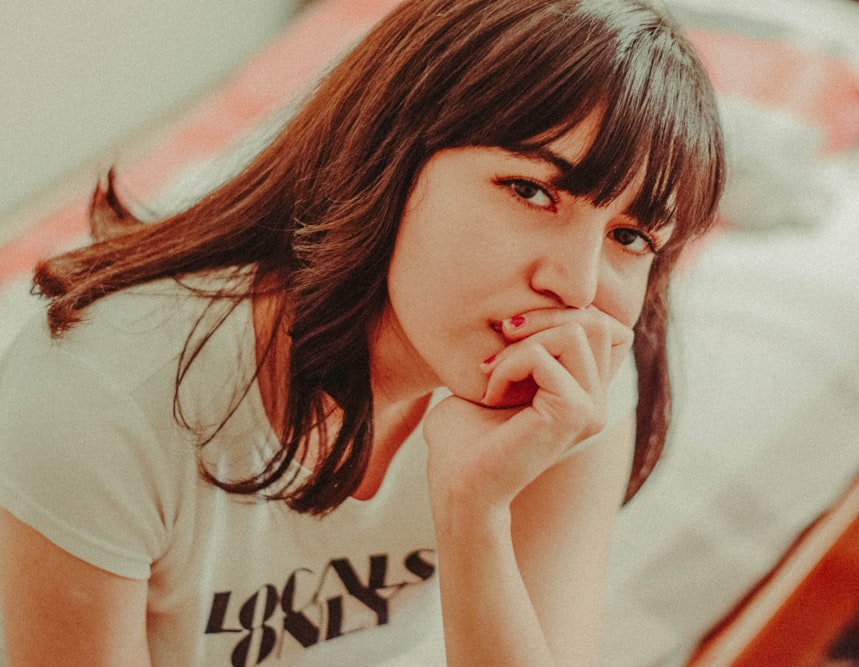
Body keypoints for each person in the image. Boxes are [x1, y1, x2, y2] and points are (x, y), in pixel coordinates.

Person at [0, 0, 724, 664]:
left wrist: (474, 512)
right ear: (393, 151)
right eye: (532, 190)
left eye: (630, 236)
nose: (576, 281)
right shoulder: (104, 396)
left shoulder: (573, 374)